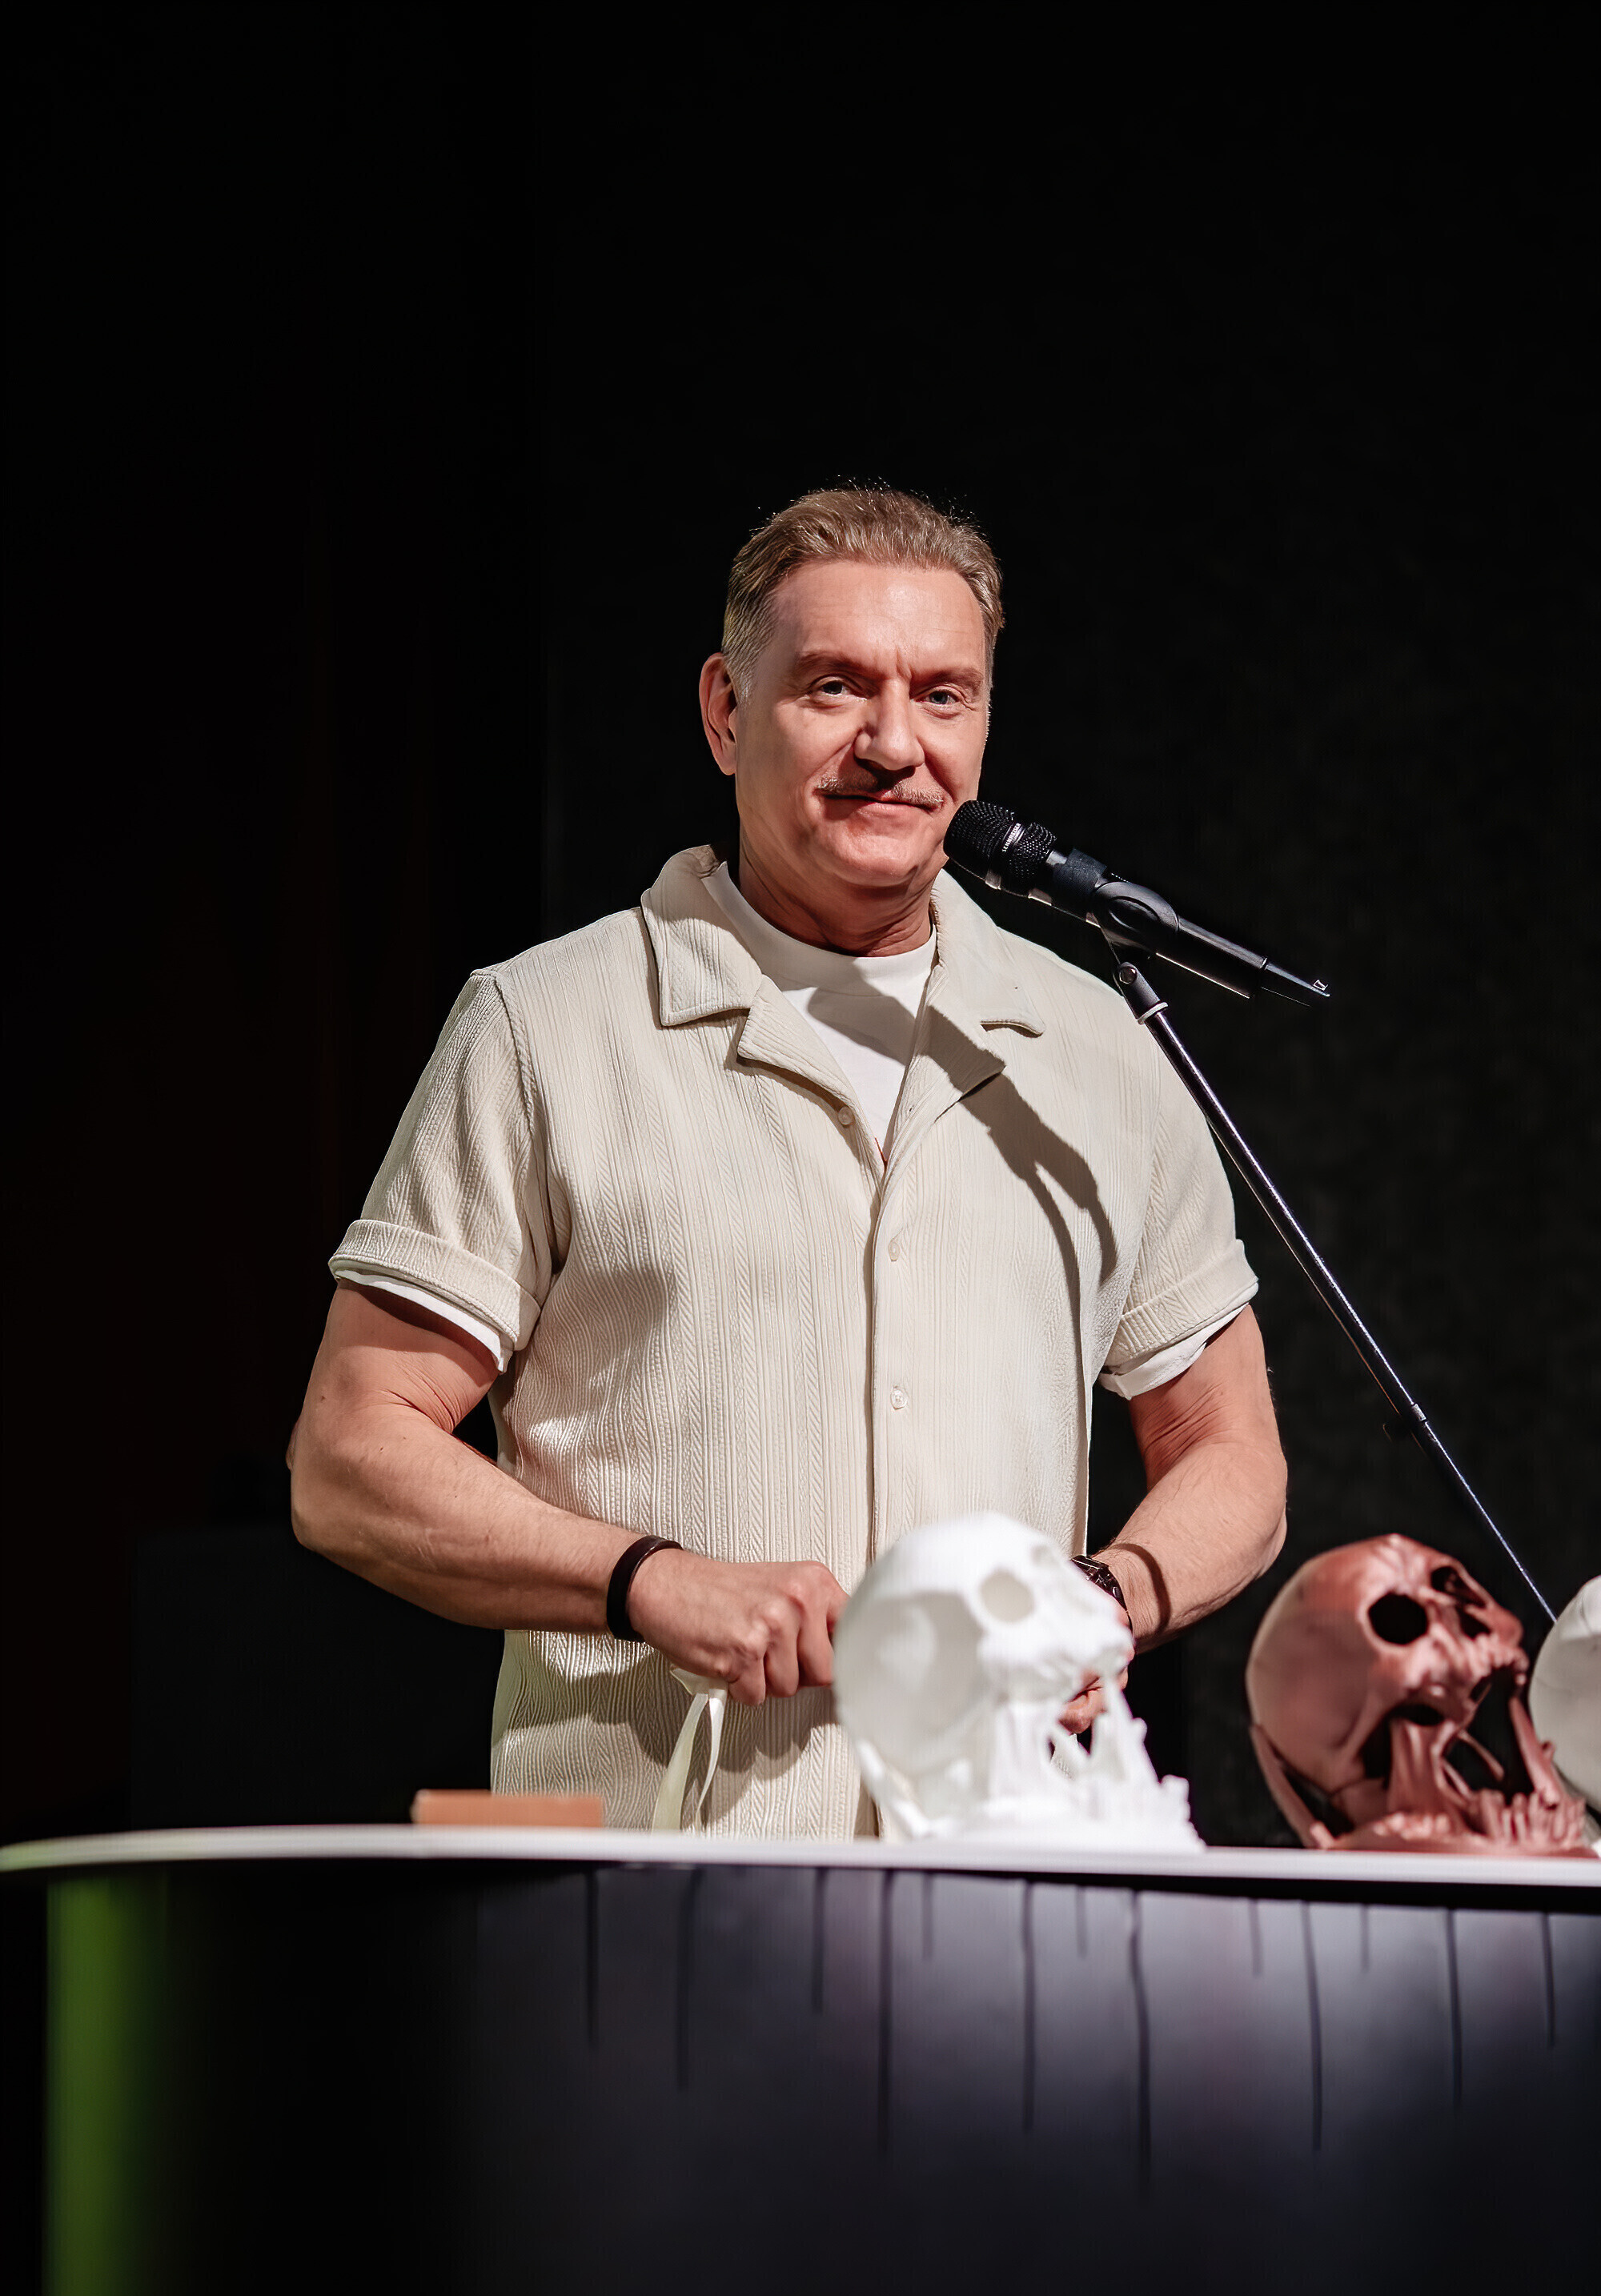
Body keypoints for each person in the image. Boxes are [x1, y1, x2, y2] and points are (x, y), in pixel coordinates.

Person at [288, 487, 1287, 1836]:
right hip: (654, 1887)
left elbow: (1234, 1454)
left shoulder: (1096, 1045)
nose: (896, 744)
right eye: (835, 687)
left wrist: (1098, 1601)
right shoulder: (545, 1026)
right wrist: (646, 1580)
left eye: (943, 695)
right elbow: (352, 1454)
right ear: (724, 711)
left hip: (1003, 1882)